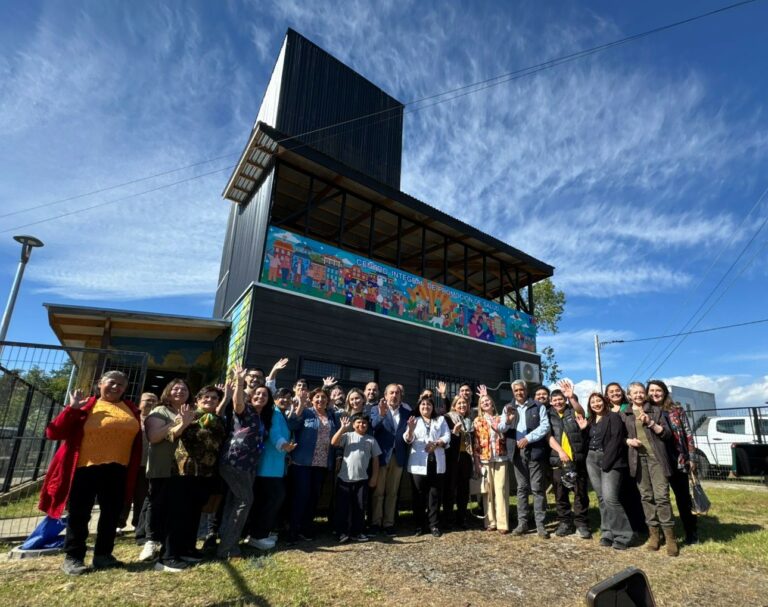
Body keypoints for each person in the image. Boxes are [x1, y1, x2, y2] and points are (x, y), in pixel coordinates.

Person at [40, 370, 141, 575]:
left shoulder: (130, 409)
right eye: (111, 382)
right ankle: (73, 557)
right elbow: (54, 433)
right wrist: (72, 409)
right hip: (85, 468)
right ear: (100, 383)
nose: (116, 387)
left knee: (111, 514)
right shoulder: (87, 405)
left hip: (118, 469)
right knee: (79, 514)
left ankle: (103, 555)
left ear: (125, 388)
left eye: (121, 384)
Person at [157, 385, 228, 572]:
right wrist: (183, 423)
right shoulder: (188, 415)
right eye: (206, 397)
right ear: (197, 400)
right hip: (184, 473)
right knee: (178, 514)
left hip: (205, 474)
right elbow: (170, 436)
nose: (210, 400)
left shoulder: (217, 420)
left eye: (214, 398)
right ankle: (168, 556)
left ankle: (187, 549)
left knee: (193, 513)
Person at [140, 378, 192, 562]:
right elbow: (154, 437)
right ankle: (151, 540)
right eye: (176, 389)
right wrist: (177, 423)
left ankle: (168, 540)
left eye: (184, 389)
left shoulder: (191, 411)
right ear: (168, 392)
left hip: (183, 469)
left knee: (175, 507)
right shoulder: (159, 411)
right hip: (162, 466)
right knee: (157, 504)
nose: (180, 391)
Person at [217, 369, 266, 559]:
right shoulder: (246, 410)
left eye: (264, 395)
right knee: (245, 501)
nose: (260, 396)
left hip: (249, 465)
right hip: (235, 462)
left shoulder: (260, 417)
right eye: (257, 394)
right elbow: (237, 403)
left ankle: (226, 541)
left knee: (234, 501)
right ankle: (228, 549)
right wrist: (239, 381)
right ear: (251, 397)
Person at [625, 382, 677, 556]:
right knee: (646, 497)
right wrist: (628, 441)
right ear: (629, 396)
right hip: (638, 460)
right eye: (635, 393)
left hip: (657, 459)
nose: (638, 395)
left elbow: (667, 434)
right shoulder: (625, 414)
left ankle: (670, 537)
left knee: (662, 497)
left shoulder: (655, 410)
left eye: (641, 392)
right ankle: (654, 535)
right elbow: (619, 436)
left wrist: (651, 423)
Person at [246, 384, 296, 551]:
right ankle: (257, 535)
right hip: (268, 466)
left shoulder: (281, 414)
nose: (285, 400)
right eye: (282, 397)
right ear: (274, 399)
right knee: (271, 500)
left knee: (271, 499)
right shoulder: (274, 412)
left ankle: (261, 532)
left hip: (275, 466)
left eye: (288, 398)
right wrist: (283, 445)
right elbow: (275, 434)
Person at [286, 387, 339, 543]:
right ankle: (293, 531)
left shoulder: (331, 416)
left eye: (323, 397)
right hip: (302, 462)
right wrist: (301, 405)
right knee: (301, 496)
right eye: (317, 397)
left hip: (321, 463)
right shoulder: (306, 412)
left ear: (328, 401)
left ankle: (306, 528)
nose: (320, 400)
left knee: (314, 497)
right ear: (312, 399)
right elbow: (292, 425)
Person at [499, 379, 551, 538]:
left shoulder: (538, 406)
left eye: (521, 389)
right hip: (516, 452)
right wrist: (507, 422)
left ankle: (540, 525)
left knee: (537, 488)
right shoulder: (508, 407)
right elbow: (501, 428)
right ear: (513, 392)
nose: (519, 393)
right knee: (521, 488)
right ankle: (523, 524)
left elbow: (545, 426)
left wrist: (528, 438)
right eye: (516, 390)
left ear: (526, 390)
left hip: (535, 451)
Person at [584, 392, 633, 550]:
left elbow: (616, 439)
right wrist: (583, 429)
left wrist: (606, 461)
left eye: (598, 401)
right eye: (592, 402)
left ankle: (623, 535)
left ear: (605, 402)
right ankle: (608, 532)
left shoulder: (613, 417)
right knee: (601, 498)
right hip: (591, 459)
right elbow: (587, 440)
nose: (596, 404)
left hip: (610, 460)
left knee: (610, 498)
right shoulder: (591, 421)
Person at [404, 396, 450, 537]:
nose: (426, 406)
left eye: (429, 404)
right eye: (423, 404)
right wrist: (410, 430)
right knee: (418, 495)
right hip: (418, 463)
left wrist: (436, 443)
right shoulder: (414, 421)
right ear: (419, 407)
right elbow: (408, 439)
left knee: (434, 495)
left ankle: (434, 525)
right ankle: (419, 525)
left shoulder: (440, 420)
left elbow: (447, 435)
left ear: (433, 407)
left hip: (436, 462)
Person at [369, 383, 413, 536]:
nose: (394, 396)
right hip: (381, 456)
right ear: (385, 395)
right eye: (391, 393)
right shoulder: (376, 409)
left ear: (401, 396)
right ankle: (375, 523)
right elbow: (373, 427)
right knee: (378, 492)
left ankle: (389, 523)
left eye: (397, 393)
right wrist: (381, 415)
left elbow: (409, 435)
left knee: (392, 493)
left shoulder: (407, 413)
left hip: (398, 456)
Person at [547, 389, 591, 539]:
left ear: (564, 400)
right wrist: (560, 452)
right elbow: (548, 436)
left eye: (560, 399)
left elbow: (581, 412)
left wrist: (572, 398)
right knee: (560, 494)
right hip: (558, 460)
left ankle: (581, 524)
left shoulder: (572, 411)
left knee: (580, 493)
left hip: (576, 458)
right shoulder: (548, 415)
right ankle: (565, 523)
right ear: (551, 402)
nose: (558, 402)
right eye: (555, 400)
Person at [331, 414, 381, 543]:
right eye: (358, 422)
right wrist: (343, 428)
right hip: (344, 479)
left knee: (360, 507)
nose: (361, 425)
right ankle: (342, 532)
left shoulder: (371, 440)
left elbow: (376, 460)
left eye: (364, 423)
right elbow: (334, 442)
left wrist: (374, 477)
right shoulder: (347, 436)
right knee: (342, 508)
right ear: (353, 425)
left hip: (362, 480)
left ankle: (357, 532)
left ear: (367, 425)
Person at [118, 391, 157, 541]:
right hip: (129, 462)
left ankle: (137, 524)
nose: (151, 403)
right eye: (148, 400)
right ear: (140, 402)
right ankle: (119, 523)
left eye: (154, 400)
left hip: (147, 464)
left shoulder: (158, 419)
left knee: (142, 496)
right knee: (124, 494)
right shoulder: (132, 417)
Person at [472, 389, 509, 534]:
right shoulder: (477, 421)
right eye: (482, 402)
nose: (485, 403)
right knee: (488, 492)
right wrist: (476, 461)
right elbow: (475, 442)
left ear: (492, 403)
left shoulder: (501, 418)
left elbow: (506, 435)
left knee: (501, 490)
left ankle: (503, 523)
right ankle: (490, 522)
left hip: (501, 457)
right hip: (485, 459)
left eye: (487, 400)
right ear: (480, 406)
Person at [442, 394, 474, 529]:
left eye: (464, 403)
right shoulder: (447, 418)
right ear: (454, 406)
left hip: (466, 457)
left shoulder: (469, 420)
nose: (462, 405)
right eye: (459, 403)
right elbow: (444, 437)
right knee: (450, 489)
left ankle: (461, 518)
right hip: (452, 458)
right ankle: (448, 519)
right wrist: (454, 432)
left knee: (463, 490)